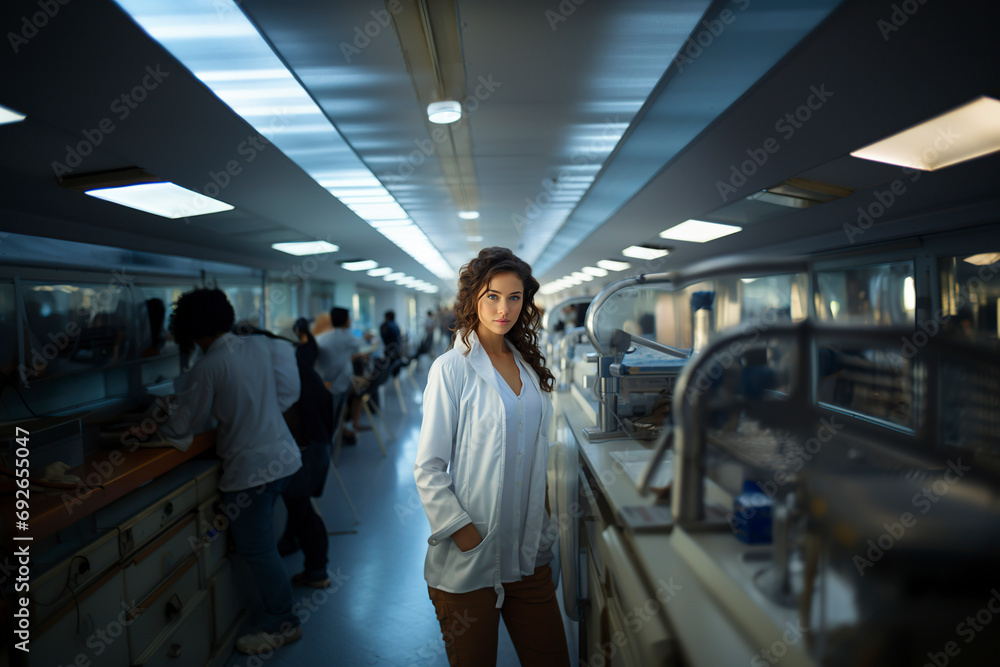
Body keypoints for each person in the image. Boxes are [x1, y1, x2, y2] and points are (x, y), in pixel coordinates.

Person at [414, 247, 570, 666]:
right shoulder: (451, 370)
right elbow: (429, 467)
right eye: (492, 297)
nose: (504, 308)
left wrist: (545, 524)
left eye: (515, 297)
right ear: (473, 300)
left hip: (528, 557)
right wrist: (467, 537)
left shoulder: (528, 368)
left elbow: (535, 452)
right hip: (472, 563)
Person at [135, 288, 303, 655]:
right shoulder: (259, 346)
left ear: (190, 330)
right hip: (283, 456)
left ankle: (282, 622)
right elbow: (283, 392)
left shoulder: (207, 366)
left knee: (258, 550)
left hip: (253, 471)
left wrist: (157, 418)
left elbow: (182, 428)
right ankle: (275, 612)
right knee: (262, 545)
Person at [315, 307, 371, 443]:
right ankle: (348, 427)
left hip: (323, 383)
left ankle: (346, 428)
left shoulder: (320, 338)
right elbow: (363, 344)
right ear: (346, 321)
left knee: (334, 413)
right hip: (340, 384)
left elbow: (336, 357)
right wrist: (367, 337)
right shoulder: (346, 335)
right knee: (356, 394)